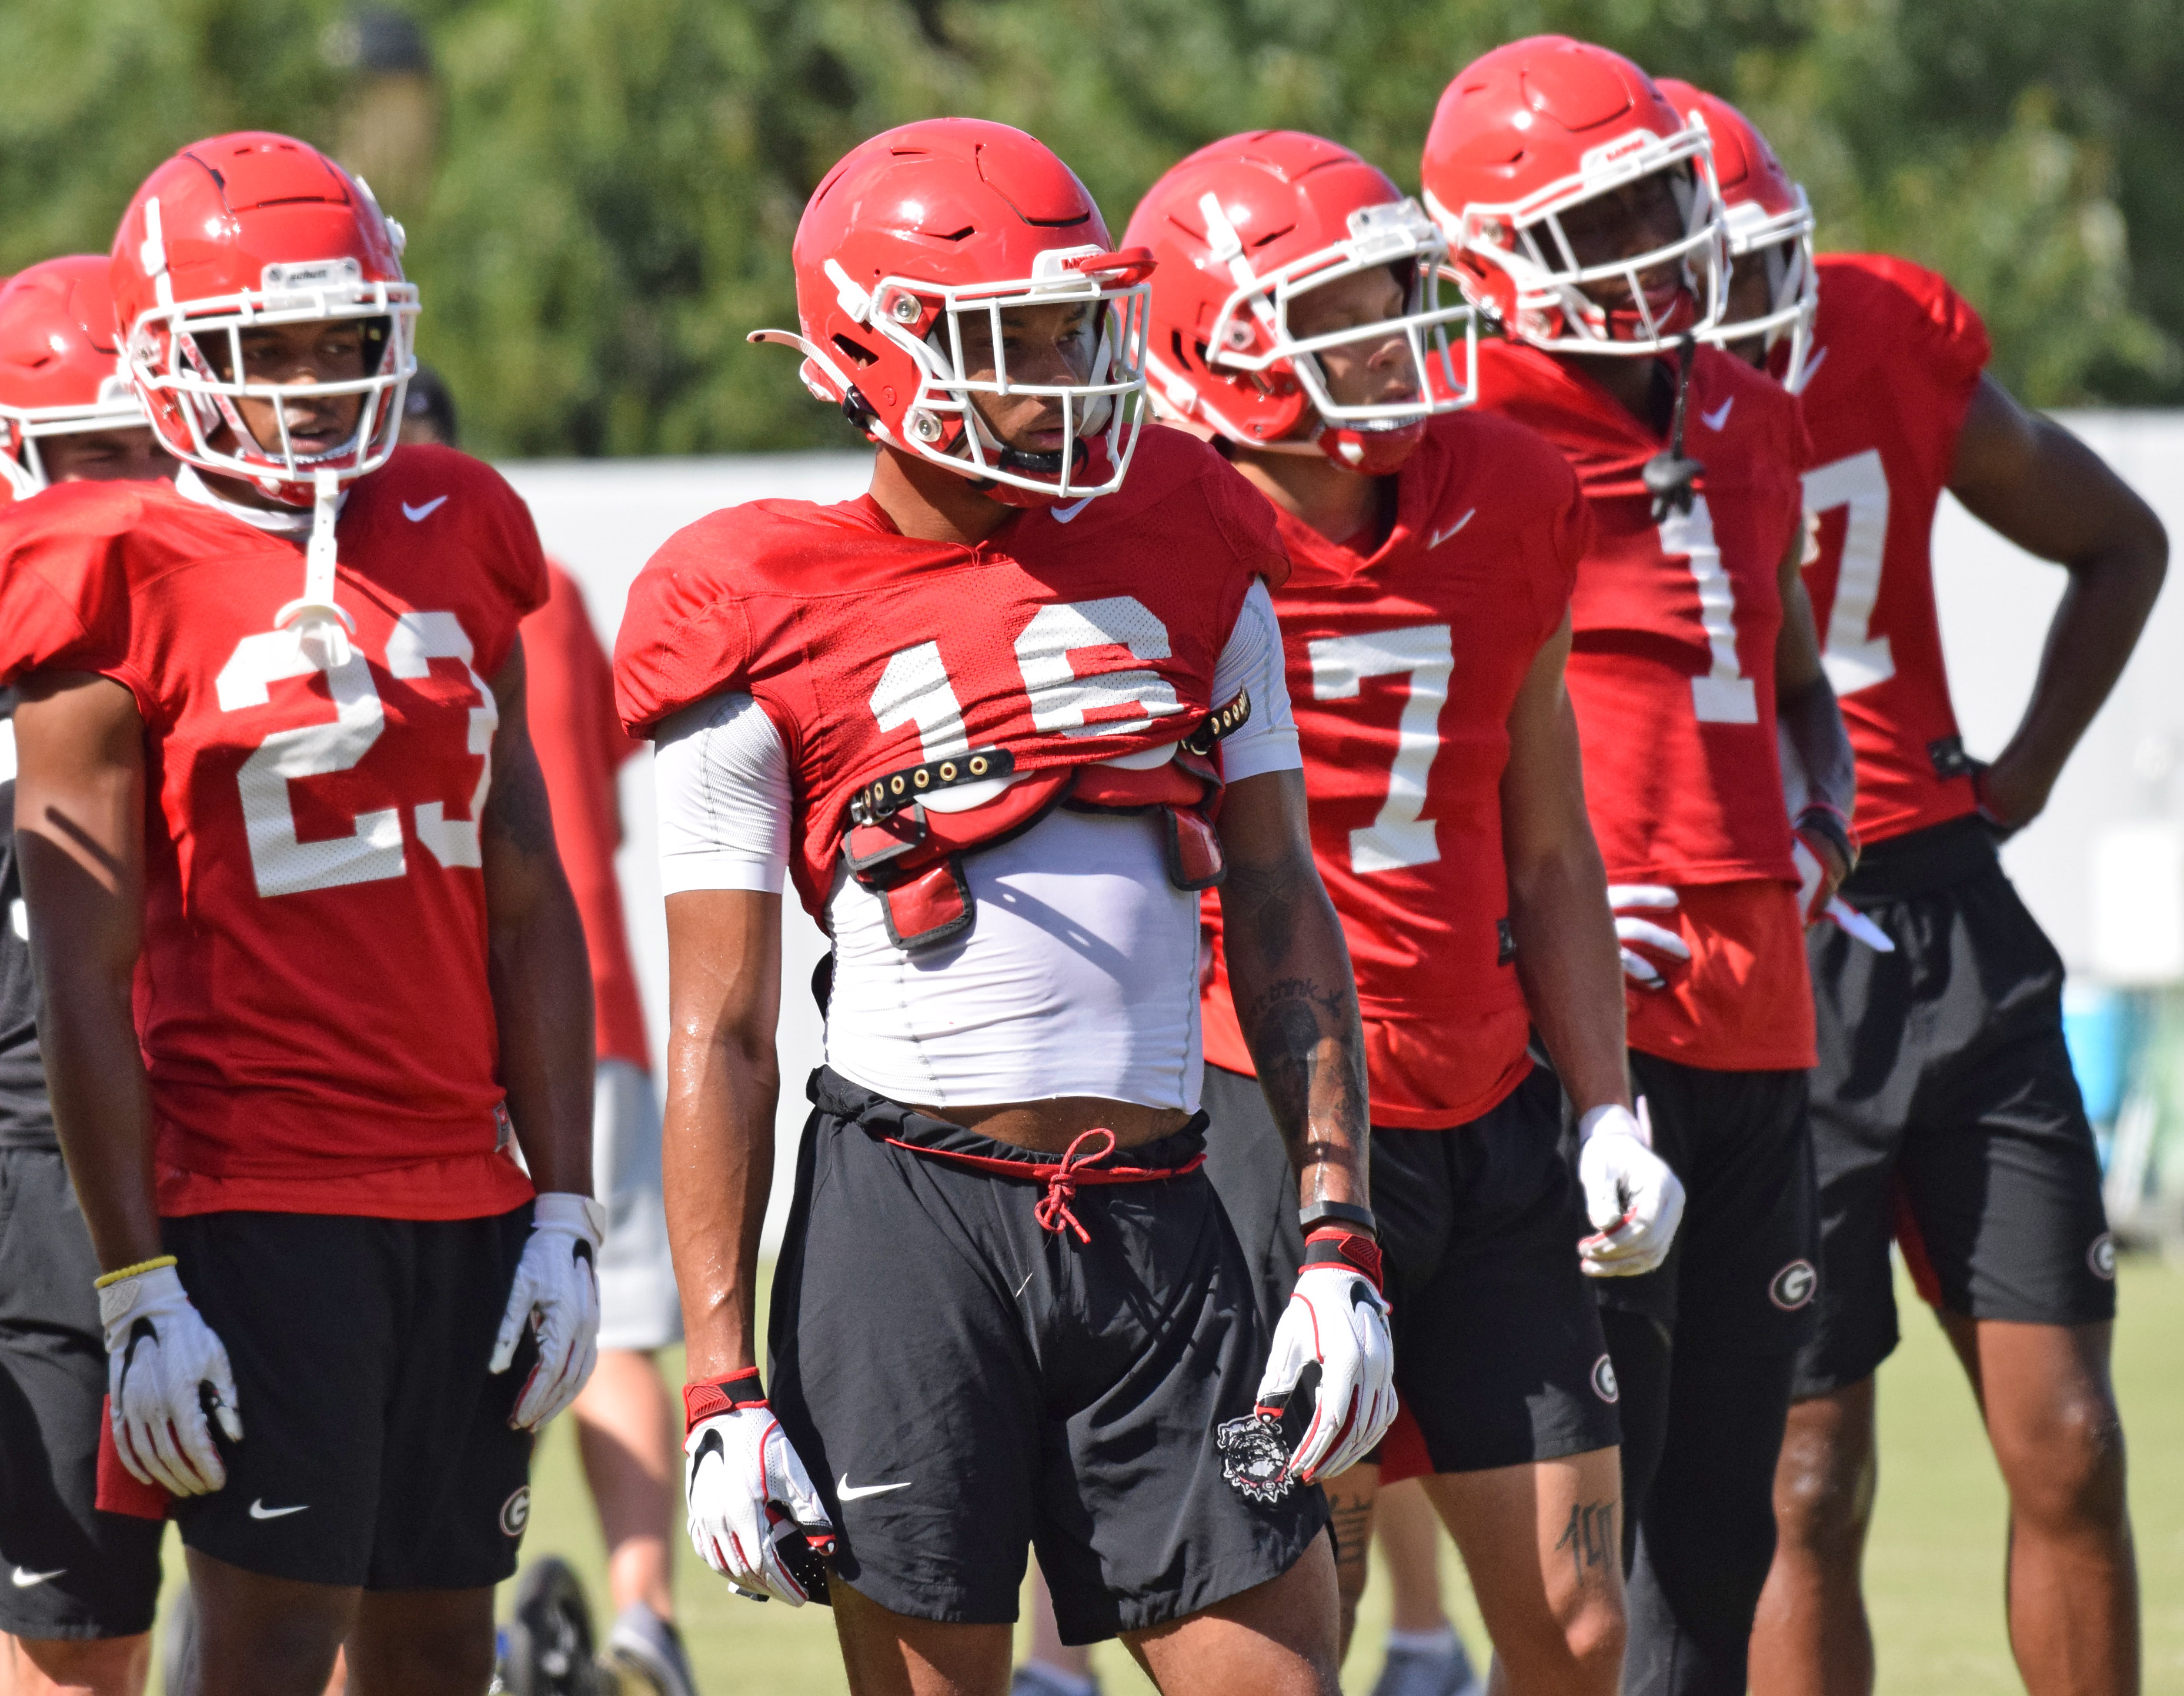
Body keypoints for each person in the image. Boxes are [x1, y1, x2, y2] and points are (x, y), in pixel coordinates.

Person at [613, 117, 1396, 1696]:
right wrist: (719, 1378)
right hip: (907, 1227)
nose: (1062, 367)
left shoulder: (1192, 527)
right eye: (1013, 335)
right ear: (870, 352)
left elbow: (1280, 899)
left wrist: (1334, 1232)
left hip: (1166, 1210)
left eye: (1070, 323)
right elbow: (728, 1021)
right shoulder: (746, 599)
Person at [0, 132, 600, 1696]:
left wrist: (564, 1204)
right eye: (275, 346)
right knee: (269, 1645)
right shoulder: (103, 563)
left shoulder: (461, 517)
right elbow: (86, 965)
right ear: (175, 358)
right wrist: (135, 1281)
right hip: (255, 1191)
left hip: (463, 1190)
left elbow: (526, 898)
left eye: (348, 338)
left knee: (439, 1647)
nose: (324, 381)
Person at [1124, 129, 1688, 1696]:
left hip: (1482, 1098)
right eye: (1342, 306)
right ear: (1212, 346)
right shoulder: (1148, 528)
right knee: (1298, 1628)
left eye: (1390, 293)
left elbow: (1552, 838)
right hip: (1260, 1112)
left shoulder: (1508, 486)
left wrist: (1604, 1105)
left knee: (1580, 1628)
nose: (1392, 336)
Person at [1652, 83, 2165, 1696]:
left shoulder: (1880, 332)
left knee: (2071, 1436)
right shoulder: (1565, 428)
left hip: (1940, 911)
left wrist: (2015, 772)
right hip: (1752, 953)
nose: (1765, 305)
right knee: (1802, 1479)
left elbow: (2118, 539)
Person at [1422, 41, 1857, 1696]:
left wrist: (1822, 816)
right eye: (1603, 222)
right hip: (1589, 1031)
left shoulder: (1752, 409)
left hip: (1763, 1015)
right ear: (1494, 250)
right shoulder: (1460, 437)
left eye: (1662, 204)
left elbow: (1798, 681)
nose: (1658, 250)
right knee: (1576, 1549)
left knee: (1722, 1528)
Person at [398, 369, 700, 1696]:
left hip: (461, 1015)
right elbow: (604, 794)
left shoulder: (410, 582)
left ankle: (484, 1605)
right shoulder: (555, 588)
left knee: (469, 1329)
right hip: (594, 1002)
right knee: (617, 1323)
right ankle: (643, 1608)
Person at [0, 255, 176, 1696]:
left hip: (232, 1161)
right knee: (75, 1640)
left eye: (158, 453)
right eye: (100, 454)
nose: (137, 493)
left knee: (294, 1602)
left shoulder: (238, 618)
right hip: (36, 1195)